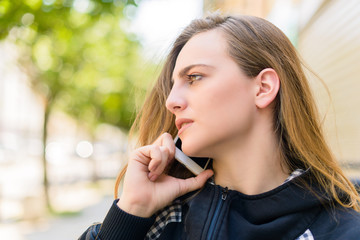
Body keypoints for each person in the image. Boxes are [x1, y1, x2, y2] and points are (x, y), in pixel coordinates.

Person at [79, 14, 360, 240]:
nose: (171, 102)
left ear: (263, 88)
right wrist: (131, 212)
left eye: (195, 77)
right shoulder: (159, 223)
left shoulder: (345, 227)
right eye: (173, 85)